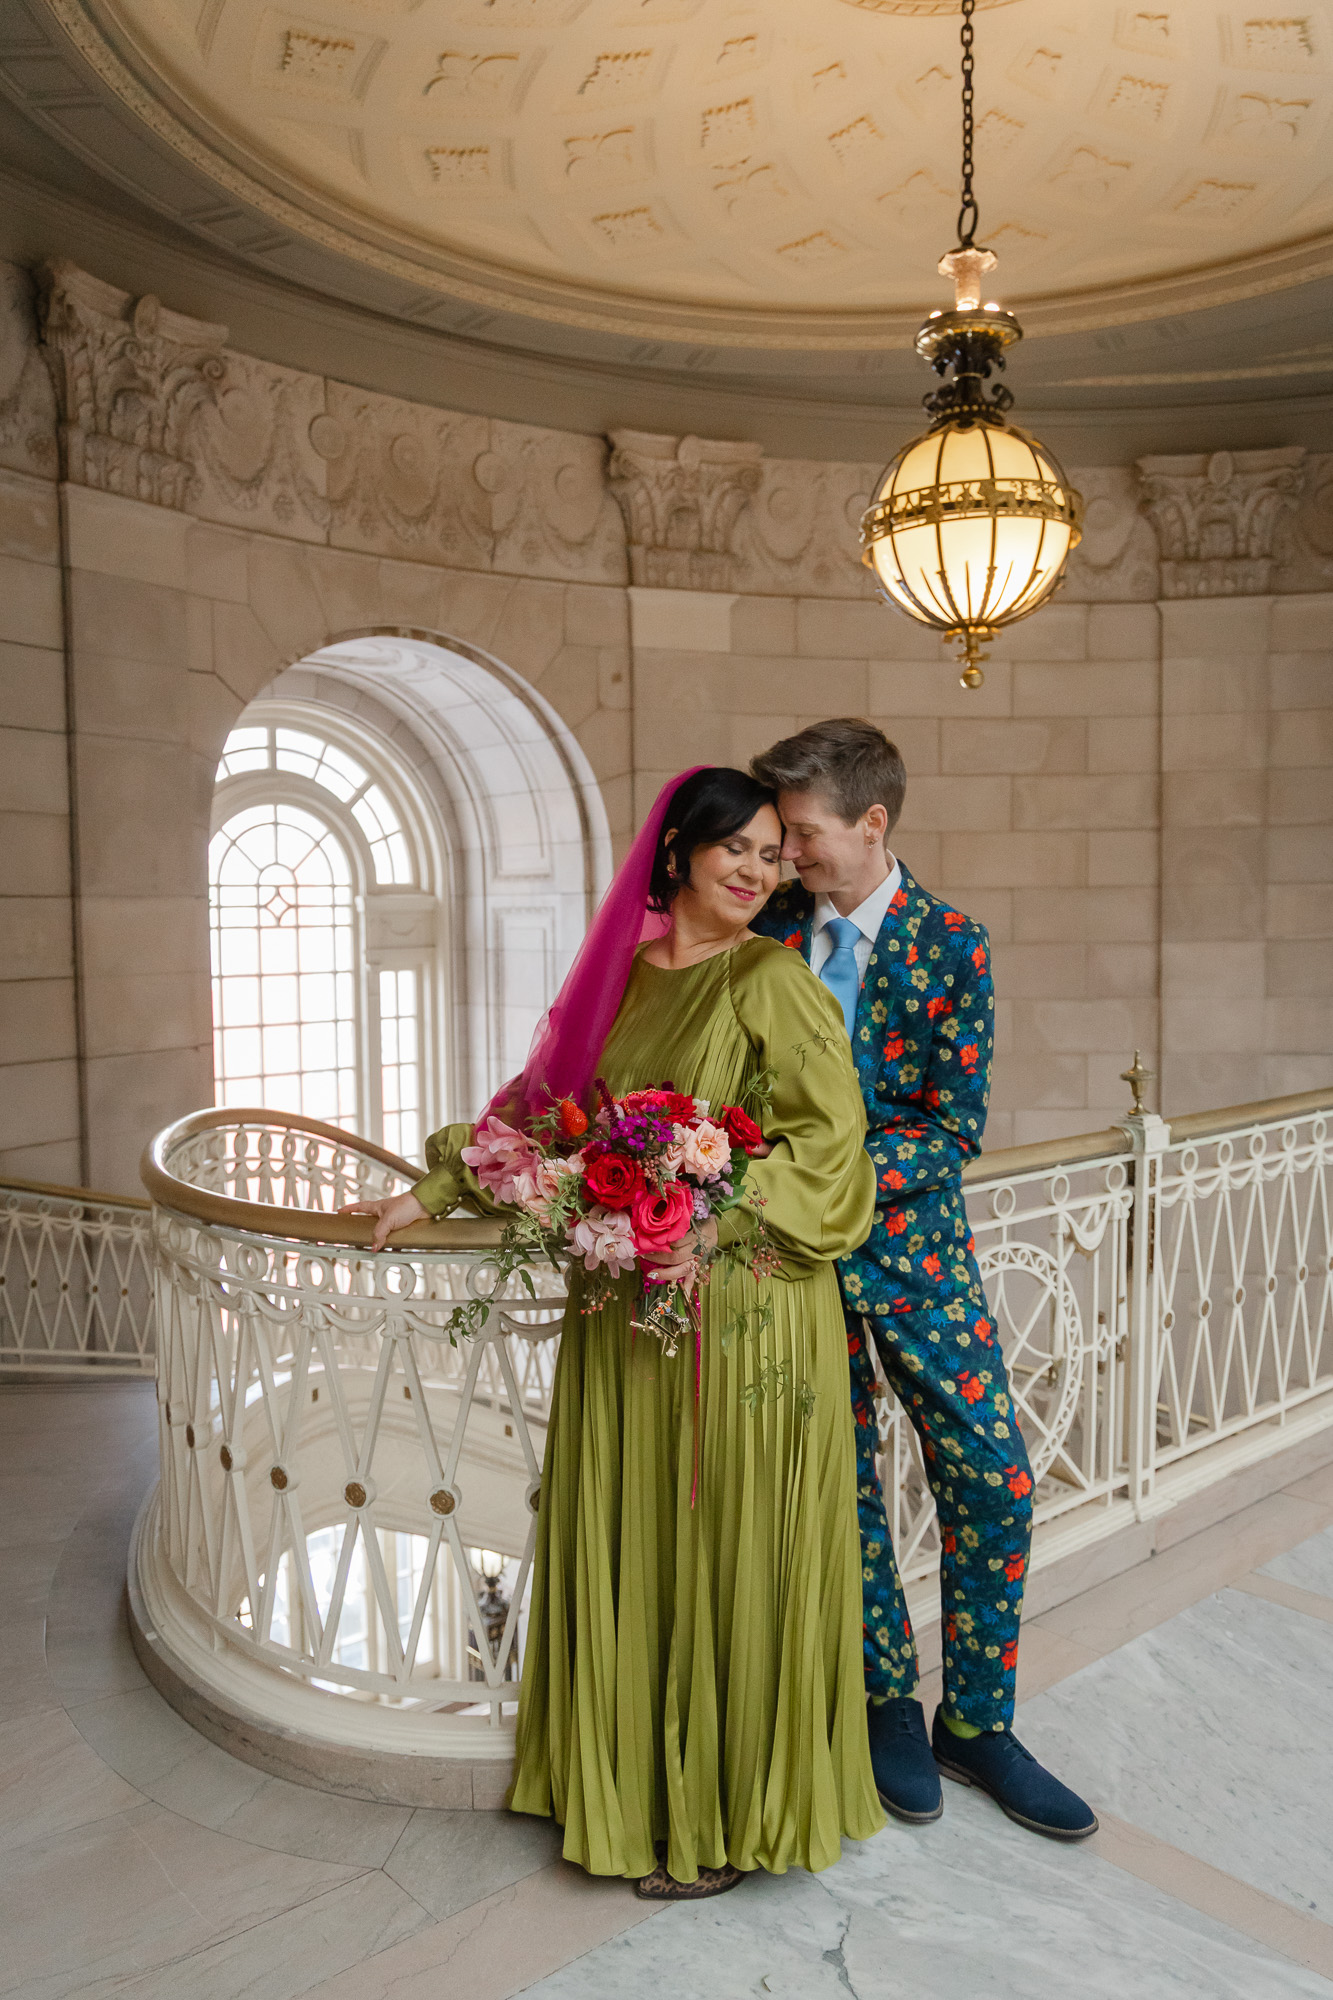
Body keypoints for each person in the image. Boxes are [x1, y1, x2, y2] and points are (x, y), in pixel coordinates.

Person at [343, 767, 885, 1897]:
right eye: (735, 848)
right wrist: (427, 1192)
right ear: (677, 853)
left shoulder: (772, 980)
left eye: (772, 855)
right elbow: (543, 1117)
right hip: (627, 1311)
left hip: (742, 1306)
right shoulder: (621, 979)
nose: (757, 871)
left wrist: (718, 1220)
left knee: (722, 1538)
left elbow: (834, 1153)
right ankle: (632, 1790)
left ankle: (723, 1819)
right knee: (638, 1530)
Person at [749, 719, 1097, 1842]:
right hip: (789, 1266)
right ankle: (886, 1702)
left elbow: (951, 1129)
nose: (786, 850)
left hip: (918, 1260)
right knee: (845, 1486)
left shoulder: (953, 944)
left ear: (871, 822)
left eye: (802, 830)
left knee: (993, 1481)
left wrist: (824, 1178)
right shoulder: (762, 930)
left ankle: (979, 1723)